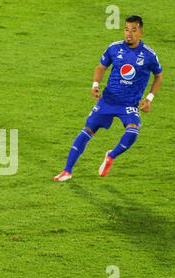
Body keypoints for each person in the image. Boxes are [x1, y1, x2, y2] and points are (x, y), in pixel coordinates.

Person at [54, 16, 163, 181]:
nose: (129, 33)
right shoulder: (114, 48)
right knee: (87, 131)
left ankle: (111, 156)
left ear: (140, 32)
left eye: (133, 30)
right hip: (108, 101)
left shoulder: (149, 55)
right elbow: (101, 67)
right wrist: (95, 85)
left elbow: (158, 76)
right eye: (126, 29)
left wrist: (149, 98)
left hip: (129, 104)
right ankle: (67, 171)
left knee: (133, 131)